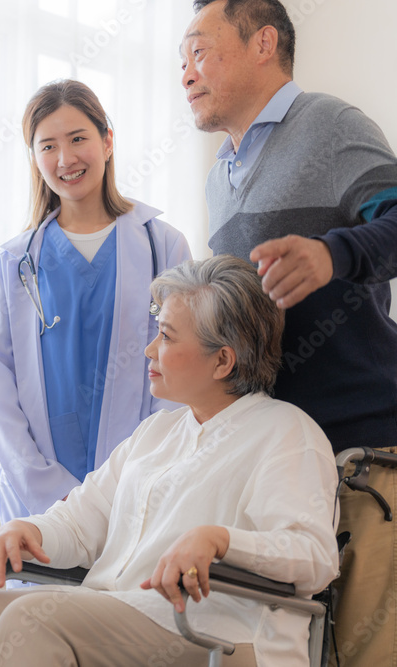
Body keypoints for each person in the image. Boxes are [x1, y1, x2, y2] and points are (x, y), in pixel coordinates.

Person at [0, 255, 339, 667]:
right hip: (117, 614)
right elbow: (80, 521)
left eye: (165, 336)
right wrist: (28, 529)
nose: (149, 350)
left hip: (217, 634)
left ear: (222, 361)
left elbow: (314, 556)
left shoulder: (285, 432)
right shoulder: (157, 433)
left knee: (31, 618)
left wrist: (220, 540)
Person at [180, 2, 397, 664]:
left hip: (361, 455)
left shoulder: (330, 125)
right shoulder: (218, 176)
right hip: (274, 464)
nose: (184, 74)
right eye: (178, 61)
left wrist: (334, 254)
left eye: (198, 51)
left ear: (263, 42)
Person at [0, 79, 192, 524]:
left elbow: (182, 373)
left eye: (78, 139)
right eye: (48, 146)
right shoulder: (13, 264)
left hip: (139, 493)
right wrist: (49, 492)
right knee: (38, 596)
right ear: (34, 159)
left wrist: (136, 481)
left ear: (107, 141)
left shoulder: (163, 247)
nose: (66, 159)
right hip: (38, 502)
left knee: (129, 594)